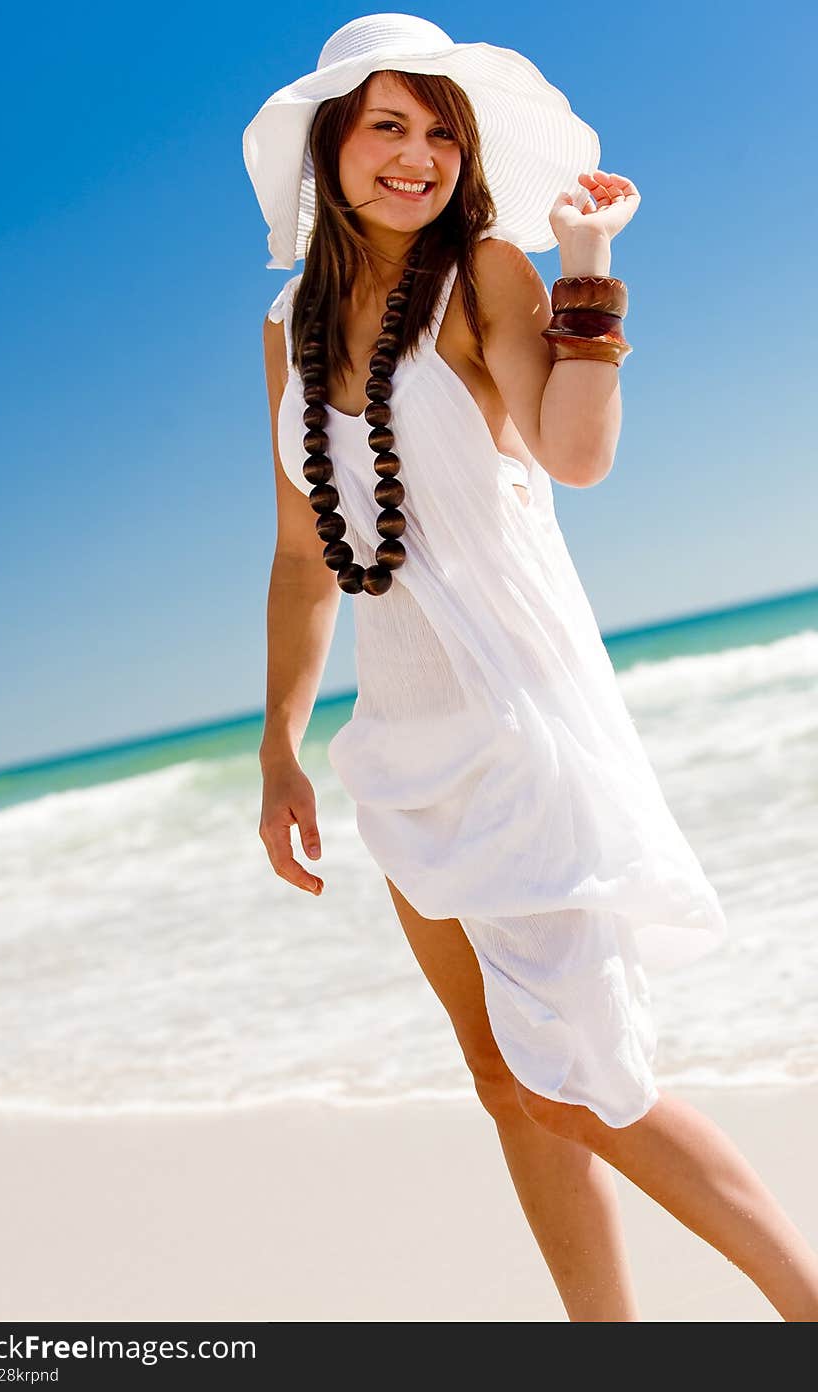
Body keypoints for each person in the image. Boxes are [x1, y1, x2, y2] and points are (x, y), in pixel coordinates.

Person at [244, 14, 818, 1320]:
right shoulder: (289, 327)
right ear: (330, 145)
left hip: (520, 731)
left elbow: (573, 454)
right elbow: (300, 555)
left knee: (582, 1084)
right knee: (508, 1087)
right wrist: (279, 743)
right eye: (389, 123)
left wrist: (592, 272)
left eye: (441, 130)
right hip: (400, 750)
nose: (420, 154)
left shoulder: (489, 274)